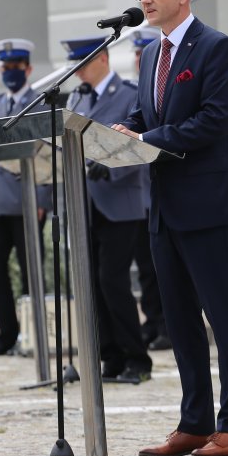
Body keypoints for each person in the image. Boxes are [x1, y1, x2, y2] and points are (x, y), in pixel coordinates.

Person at [112, 0, 228, 456]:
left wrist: (147, 136)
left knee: (221, 317)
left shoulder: (216, 47)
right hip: (162, 208)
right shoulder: (151, 53)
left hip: (205, 206)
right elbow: (145, 114)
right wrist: (118, 132)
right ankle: (194, 423)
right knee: (179, 321)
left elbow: (212, 120)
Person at [63, 36, 152, 382]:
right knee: (92, 285)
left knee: (112, 280)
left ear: (102, 59)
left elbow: (139, 142)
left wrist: (114, 166)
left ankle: (137, 359)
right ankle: (110, 357)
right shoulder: (76, 98)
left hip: (120, 202)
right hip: (84, 200)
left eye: (83, 63)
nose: (78, 71)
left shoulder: (129, 94)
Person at [0, 38, 48, 357]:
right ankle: (7, 334)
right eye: (5, 68)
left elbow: (48, 154)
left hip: (28, 199)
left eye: (16, 68)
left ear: (28, 69)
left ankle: (33, 337)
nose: (10, 73)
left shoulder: (40, 103)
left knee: (31, 270)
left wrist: (43, 198)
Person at [131, 25, 169, 351]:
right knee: (147, 271)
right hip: (142, 199)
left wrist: (139, 137)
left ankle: (166, 326)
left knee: (161, 271)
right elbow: (135, 120)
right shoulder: (142, 83)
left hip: (158, 188)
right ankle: (154, 322)